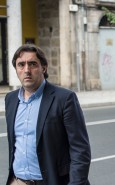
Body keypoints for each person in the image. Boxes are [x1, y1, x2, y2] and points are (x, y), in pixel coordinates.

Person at [5, 44, 91, 185]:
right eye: (21, 65)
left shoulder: (64, 98)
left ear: (43, 68)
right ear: (16, 69)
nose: (27, 70)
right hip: (18, 181)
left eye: (32, 64)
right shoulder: (11, 99)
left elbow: (80, 149)